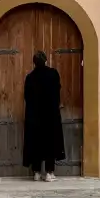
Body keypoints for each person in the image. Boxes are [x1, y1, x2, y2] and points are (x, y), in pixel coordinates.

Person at [22, 49, 64, 181]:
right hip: (50, 115)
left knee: (36, 143)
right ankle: (49, 173)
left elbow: (27, 97)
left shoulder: (30, 77)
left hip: (34, 116)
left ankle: (36, 172)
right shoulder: (53, 74)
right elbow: (57, 92)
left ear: (34, 63)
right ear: (46, 61)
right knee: (50, 142)